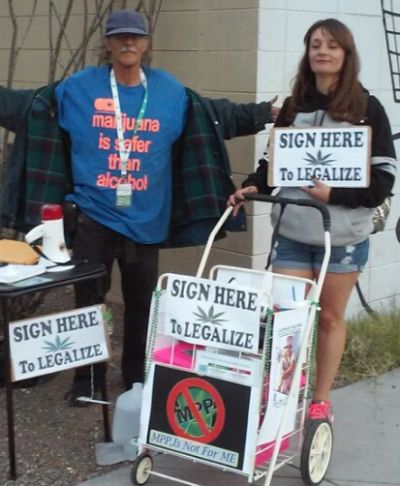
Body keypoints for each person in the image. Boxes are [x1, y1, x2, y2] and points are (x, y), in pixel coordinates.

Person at [0, 10, 279, 404]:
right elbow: (27, 106)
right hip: (93, 216)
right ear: (108, 45)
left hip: (147, 221)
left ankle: (136, 379)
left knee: (142, 307)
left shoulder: (169, 92)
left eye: (135, 37)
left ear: (146, 44)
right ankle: (88, 383)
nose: (128, 43)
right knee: (88, 304)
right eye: (120, 37)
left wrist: (264, 114)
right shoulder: (77, 88)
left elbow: (216, 116)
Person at [229, 18, 396, 423]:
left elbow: (384, 178)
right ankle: (287, 387)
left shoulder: (368, 108)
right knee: (288, 316)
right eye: (315, 44)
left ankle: (320, 401)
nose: (322, 51)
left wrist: (334, 195)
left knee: (331, 317)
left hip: (342, 238)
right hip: (293, 230)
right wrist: (251, 186)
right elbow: (274, 163)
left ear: (346, 55)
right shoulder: (293, 108)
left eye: (332, 45)